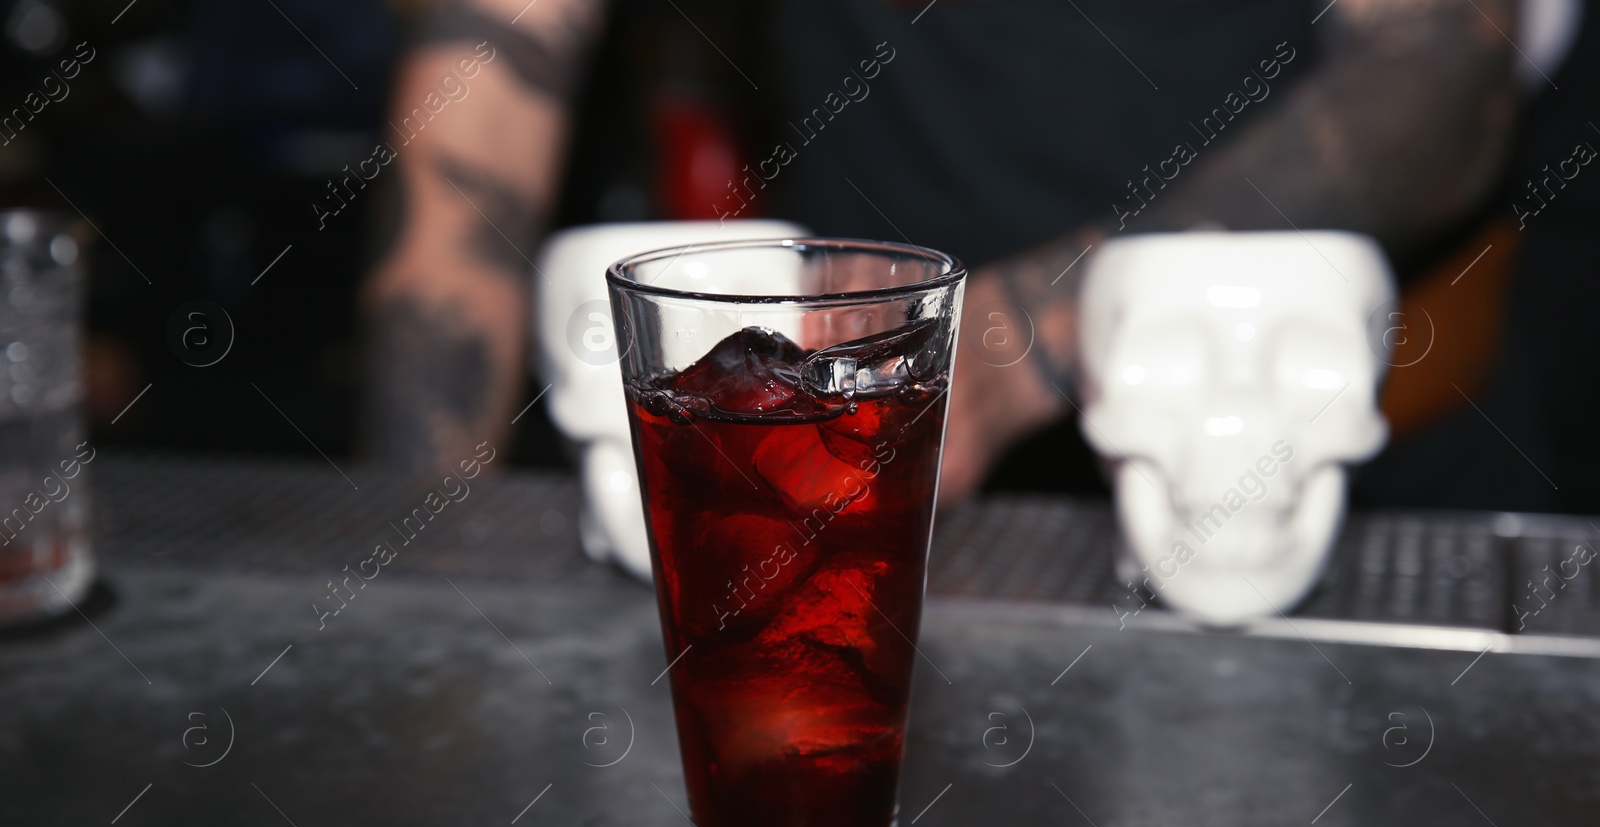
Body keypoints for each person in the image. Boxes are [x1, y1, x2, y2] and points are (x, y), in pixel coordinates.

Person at [361, 0, 1523, 506]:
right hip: (854, 432)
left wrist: (1020, 339)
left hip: (1257, 430)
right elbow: (485, 94)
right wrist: (422, 541)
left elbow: (1440, 74)